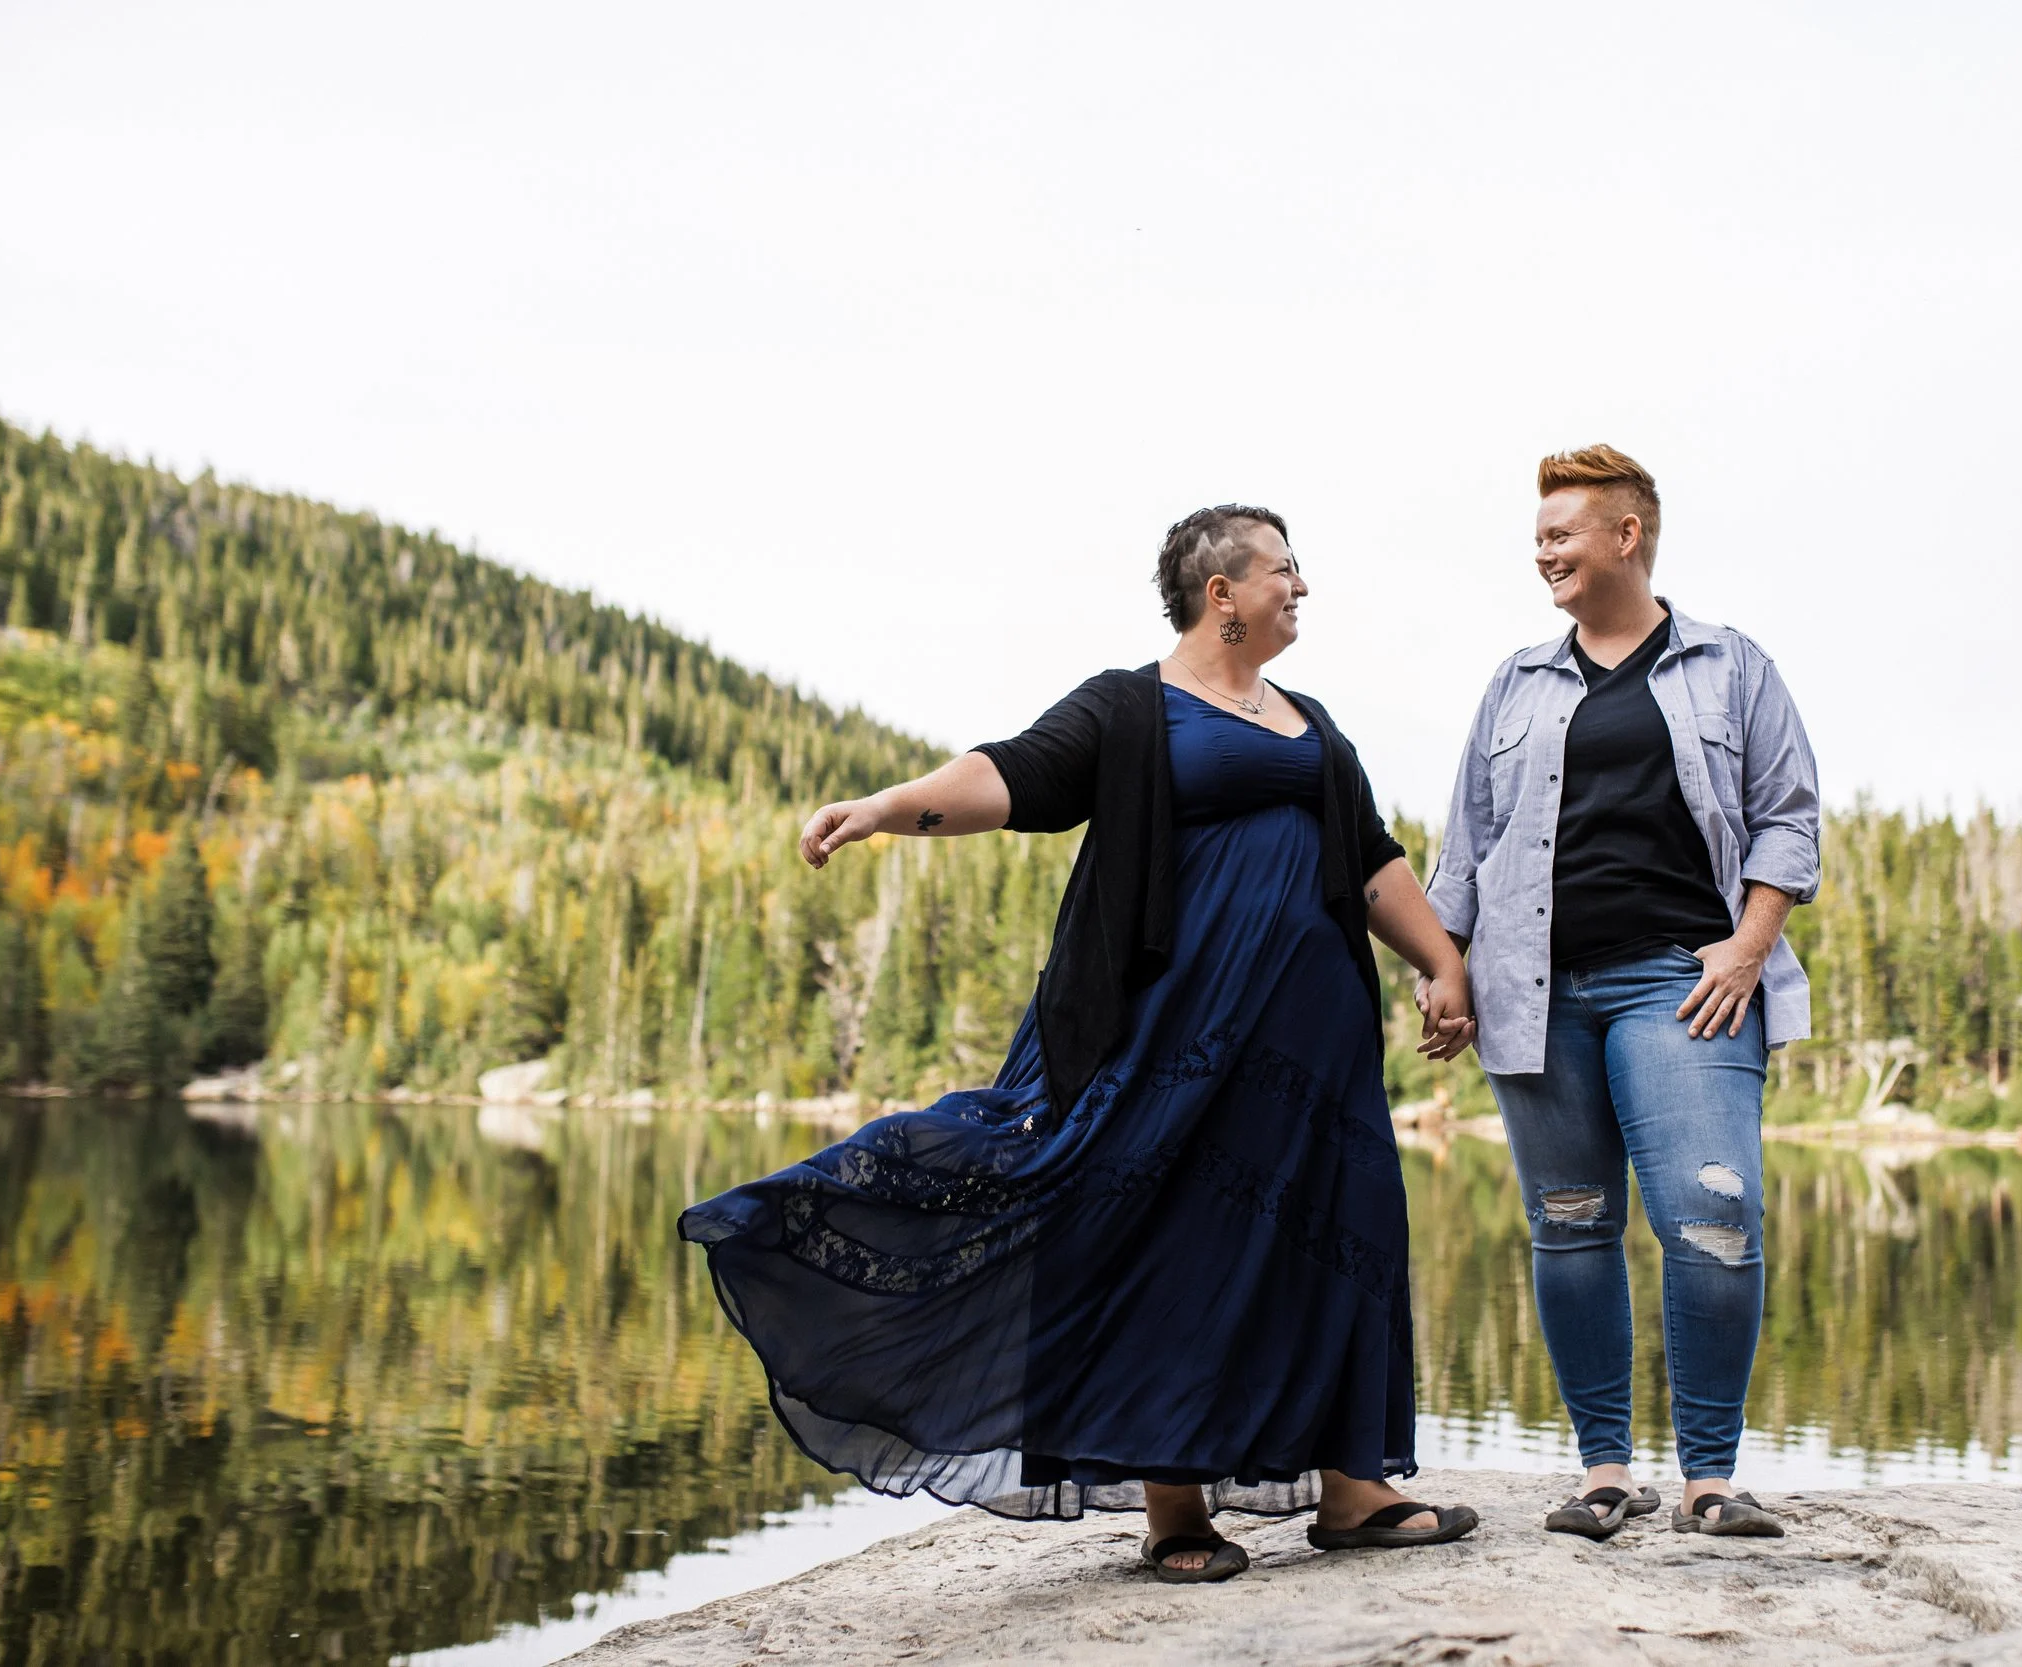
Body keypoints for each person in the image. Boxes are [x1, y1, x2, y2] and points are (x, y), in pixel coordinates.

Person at [681, 505, 1481, 1583]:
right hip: (1166, 1036)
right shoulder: (1130, 706)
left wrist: (1441, 961)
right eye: (1284, 570)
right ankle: (1175, 1505)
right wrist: (886, 805)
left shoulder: (1315, 724)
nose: (1301, 587)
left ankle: (1353, 1487)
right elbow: (1011, 775)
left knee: (1341, 1229)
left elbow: (1371, 859)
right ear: (1221, 593)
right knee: (1163, 1237)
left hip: (1310, 1048)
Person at [1426, 446, 1820, 1539]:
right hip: (1534, 990)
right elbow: (1466, 843)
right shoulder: (1516, 682)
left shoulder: (1730, 665)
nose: (1543, 553)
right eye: (1538, 537)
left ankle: (1710, 1478)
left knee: (1715, 1215)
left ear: (1626, 534)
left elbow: (1789, 816)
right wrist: (1444, 964)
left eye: (1561, 533)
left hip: (1682, 984)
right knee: (1570, 1223)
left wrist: (1747, 948)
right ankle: (1606, 1469)